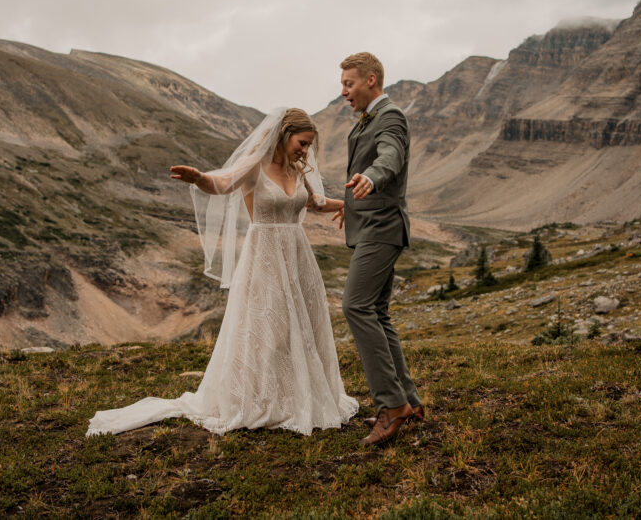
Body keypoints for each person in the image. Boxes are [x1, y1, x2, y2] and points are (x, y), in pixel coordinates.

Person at [86, 108, 357, 436]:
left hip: (297, 255)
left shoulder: (299, 170)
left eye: (309, 145)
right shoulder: (255, 165)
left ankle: (301, 393)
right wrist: (200, 179)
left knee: (299, 325)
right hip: (265, 256)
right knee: (268, 327)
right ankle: (264, 398)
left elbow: (314, 202)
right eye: (302, 143)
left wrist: (345, 205)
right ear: (284, 135)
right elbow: (224, 182)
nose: (305, 151)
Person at [337, 52, 424, 446]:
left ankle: (390, 407)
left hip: (382, 227)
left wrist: (371, 179)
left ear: (371, 80)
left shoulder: (390, 116)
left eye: (349, 84)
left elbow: (390, 155)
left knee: (355, 305)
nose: (343, 92)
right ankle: (408, 399)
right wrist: (351, 203)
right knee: (377, 311)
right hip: (371, 223)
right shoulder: (369, 117)